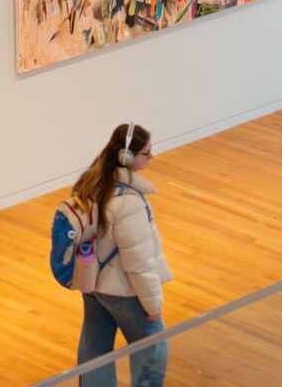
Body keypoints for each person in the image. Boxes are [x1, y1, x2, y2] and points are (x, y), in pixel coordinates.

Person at [74, 122, 172, 386]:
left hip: (92, 283)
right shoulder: (129, 204)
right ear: (127, 158)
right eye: (146, 153)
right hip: (123, 291)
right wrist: (152, 306)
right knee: (154, 347)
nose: (152, 157)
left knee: (95, 348)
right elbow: (138, 263)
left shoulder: (90, 184)